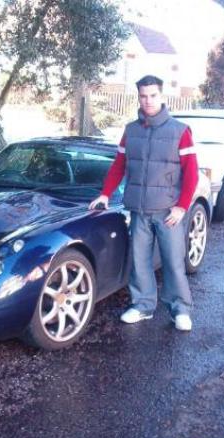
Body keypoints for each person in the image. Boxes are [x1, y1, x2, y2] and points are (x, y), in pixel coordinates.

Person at [88, 75, 199, 331]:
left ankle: (181, 309)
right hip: (138, 210)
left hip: (168, 211)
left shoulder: (180, 131)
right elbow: (119, 166)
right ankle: (143, 306)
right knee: (139, 261)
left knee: (173, 262)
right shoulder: (131, 131)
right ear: (138, 97)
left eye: (152, 95)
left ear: (162, 96)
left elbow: (191, 172)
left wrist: (182, 207)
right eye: (143, 96)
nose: (147, 101)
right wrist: (105, 194)